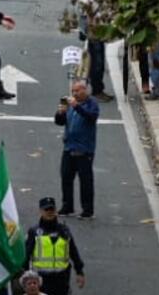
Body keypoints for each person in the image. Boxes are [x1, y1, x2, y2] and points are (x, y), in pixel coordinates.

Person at [54, 79, 98, 219]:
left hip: (84, 150)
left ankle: (87, 210)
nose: (75, 93)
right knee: (66, 178)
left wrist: (77, 106)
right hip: (69, 147)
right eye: (73, 91)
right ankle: (67, 206)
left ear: (85, 90)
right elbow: (60, 122)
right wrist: (60, 112)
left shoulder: (92, 104)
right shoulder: (70, 105)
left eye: (78, 90)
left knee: (85, 181)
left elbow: (91, 117)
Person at [22, 197, 85, 295]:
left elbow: (73, 251)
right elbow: (26, 255)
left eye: (52, 209)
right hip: (41, 280)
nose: (49, 212)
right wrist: (25, 276)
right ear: (41, 211)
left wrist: (79, 272)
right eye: (46, 209)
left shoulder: (64, 231)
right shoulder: (34, 232)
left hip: (62, 279)